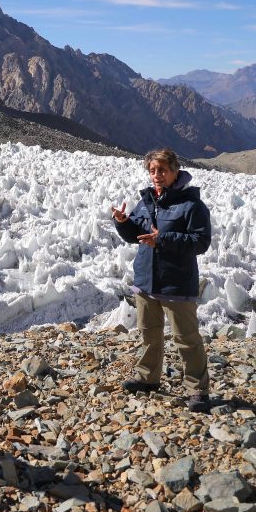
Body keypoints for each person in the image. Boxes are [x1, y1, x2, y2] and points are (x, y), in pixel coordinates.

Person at [112, 148, 213, 413]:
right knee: (149, 334)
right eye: (153, 170)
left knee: (187, 338)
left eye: (162, 170)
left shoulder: (191, 205)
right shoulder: (146, 201)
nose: (157, 175)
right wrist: (123, 223)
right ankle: (147, 377)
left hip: (177, 284)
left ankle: (197, 390)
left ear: (175, 171)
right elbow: (136, 233)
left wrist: (163, 240)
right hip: (147, 280)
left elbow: (201, 242)